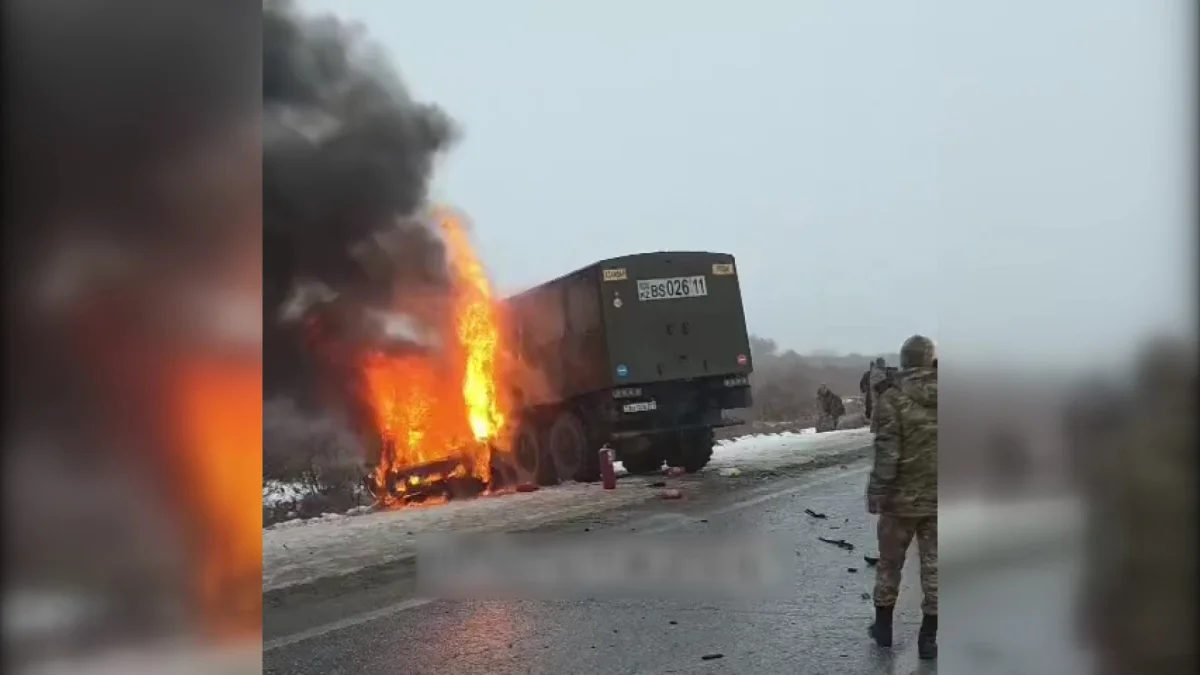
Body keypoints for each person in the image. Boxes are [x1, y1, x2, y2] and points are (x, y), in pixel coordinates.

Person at [866, 335, 938, 659]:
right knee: (936, 569)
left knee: (889, 565)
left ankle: (883, 630)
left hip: (900, 501)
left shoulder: (892, 399)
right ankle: (929, 638)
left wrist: (877, 491)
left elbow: (887, 452)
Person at [867, 357, 888, 432]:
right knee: (876, 410)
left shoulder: (876, 371)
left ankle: (876, 428)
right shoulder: (877, 372)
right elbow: (880, 382)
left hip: (877, 394)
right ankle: (874, 428)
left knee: (877, 410)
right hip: (877, 394)